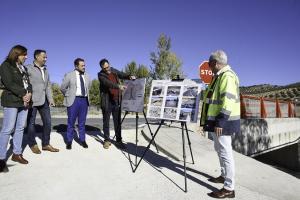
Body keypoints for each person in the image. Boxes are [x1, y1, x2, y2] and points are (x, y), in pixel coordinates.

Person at [200, 50, 240, 198]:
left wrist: (221, 121)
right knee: (219, 150)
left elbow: (228, 100)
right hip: (217, 121)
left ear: (216, 63)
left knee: (225, 153)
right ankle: (223, 176)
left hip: (223, 122)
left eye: (210, 64)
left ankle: (229, 188)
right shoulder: (219, 76)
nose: (209, 67)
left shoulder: (227, 76)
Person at [0, 45, 32, 172]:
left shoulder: (23, 68)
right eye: (24, 54)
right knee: (8, 129)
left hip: (24, 102)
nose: (26, 57)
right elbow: (9, 83)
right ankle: (1, 158)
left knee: (20, 128)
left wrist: (29, 94)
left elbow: (28, 83)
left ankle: (16, 154)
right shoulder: (6, 65)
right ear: (17, 54)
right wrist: (23, 94)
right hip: (12, 100)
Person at [26, 49, 59, 154]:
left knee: (48, 122)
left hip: (44, 100)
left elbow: (48, 86)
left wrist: (51, 99)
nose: (46, 59)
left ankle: (45, 144)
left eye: (46, 57)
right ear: (37, 57)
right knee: (31, 123)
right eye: (44, 57)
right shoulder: (28, 68)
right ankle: (32, 144)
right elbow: (24, 83)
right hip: (32, 100)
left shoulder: (46, 70)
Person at [98, 59, 135, 149]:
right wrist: (118, 86)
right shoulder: (101, 75)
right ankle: (106, 140)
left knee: (117, 122)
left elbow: (122, 74)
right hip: (107, 102)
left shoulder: (114, 70)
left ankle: (118, 141)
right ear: (102, 68)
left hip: (116, 101)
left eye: (108, 67)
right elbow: (108, 83)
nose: (107, 69)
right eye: (105, 68)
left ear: (109, 64)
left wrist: (129, 76)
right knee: (106, 122)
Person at [61, 58, 91, 150]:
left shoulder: (87, 76)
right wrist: (69, 95)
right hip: (73, 101)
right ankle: (69, 141)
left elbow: (88, 87)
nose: (84, 67)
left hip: (84, 100)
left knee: (82, 122)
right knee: (71, 122)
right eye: (82, 65)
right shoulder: (69, 75)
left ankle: (82, 140)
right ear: (76, 66)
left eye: (84, 65)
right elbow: (63, 88)